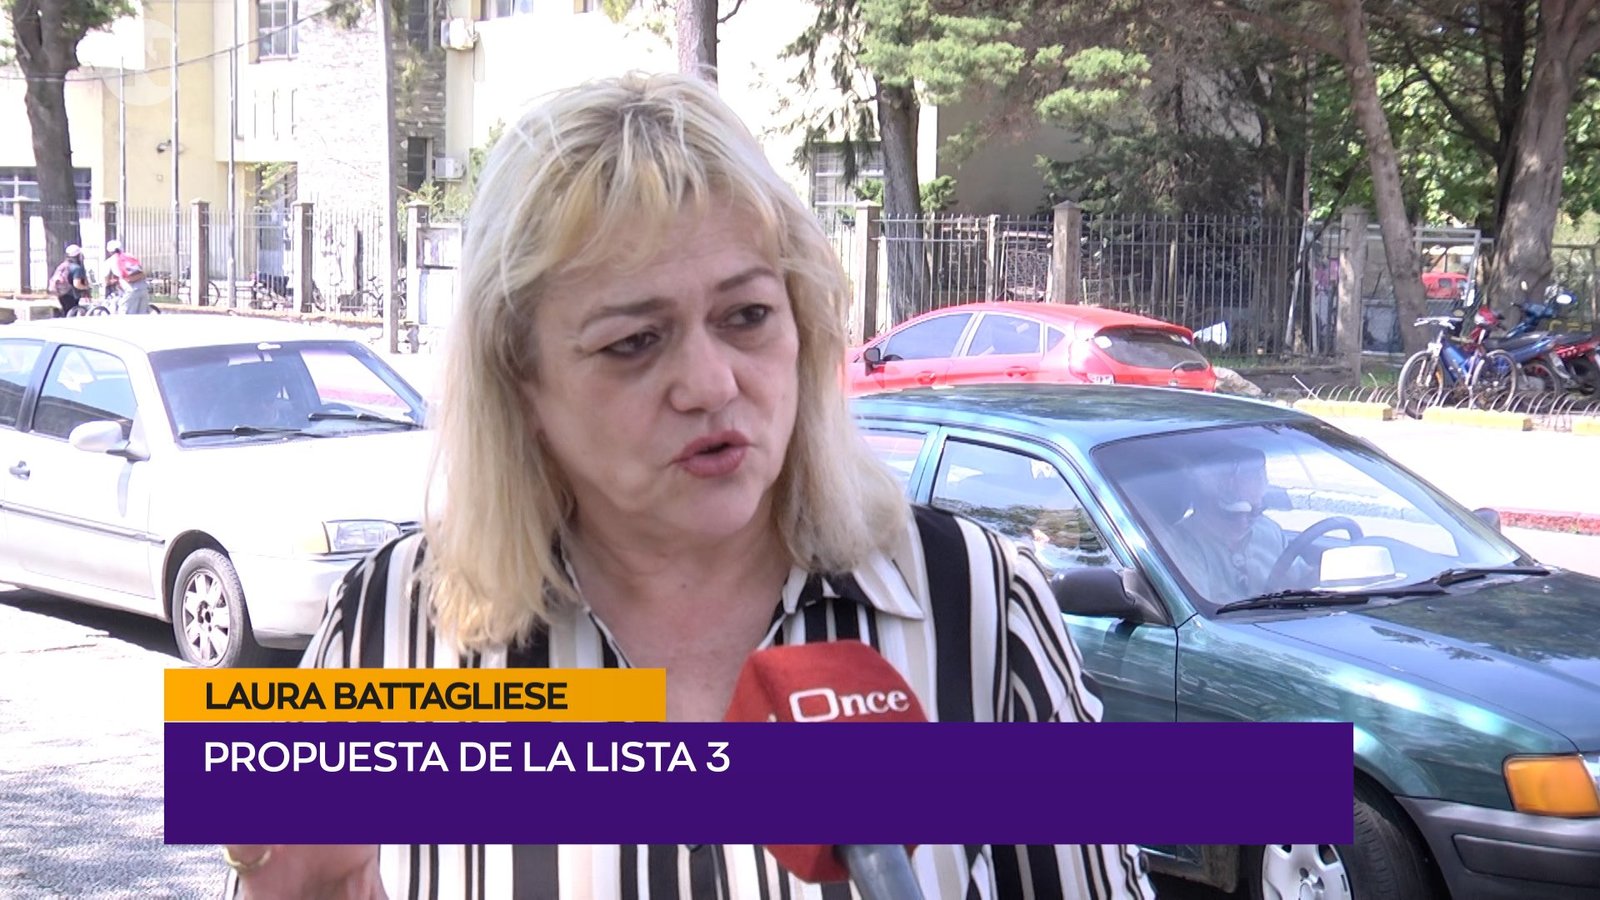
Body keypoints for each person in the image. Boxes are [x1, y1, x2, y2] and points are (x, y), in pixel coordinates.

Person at [220, 72, 1153, 900]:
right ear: (523, 383)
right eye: (634, 341)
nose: (710, 384)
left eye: (746, 316)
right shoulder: (390, 631)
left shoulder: (975, 606)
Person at [1168, 443, 1291, 602]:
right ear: (1206, 499)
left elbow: (1300, 579)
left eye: (1255, 511)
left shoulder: (1269, 530)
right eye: (1233, 512)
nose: (1244, 521)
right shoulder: (1181, 545)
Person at [102, 239, 152, 314]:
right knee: (142, 315)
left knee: (124, 313)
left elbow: (106, 280)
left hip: (130, 291)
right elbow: (140, 270)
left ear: (109, 251)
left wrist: (110, 282)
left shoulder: (109, 261)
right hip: (143, 288)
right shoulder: (129, 256)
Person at [47, 244, 90, 316]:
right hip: (71, 295)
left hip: (61, 293)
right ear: (78, 255)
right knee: (72, 313)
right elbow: (77, 284)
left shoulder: (63, 265)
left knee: (66, 312)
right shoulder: (76, 268)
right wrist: (86, 287)